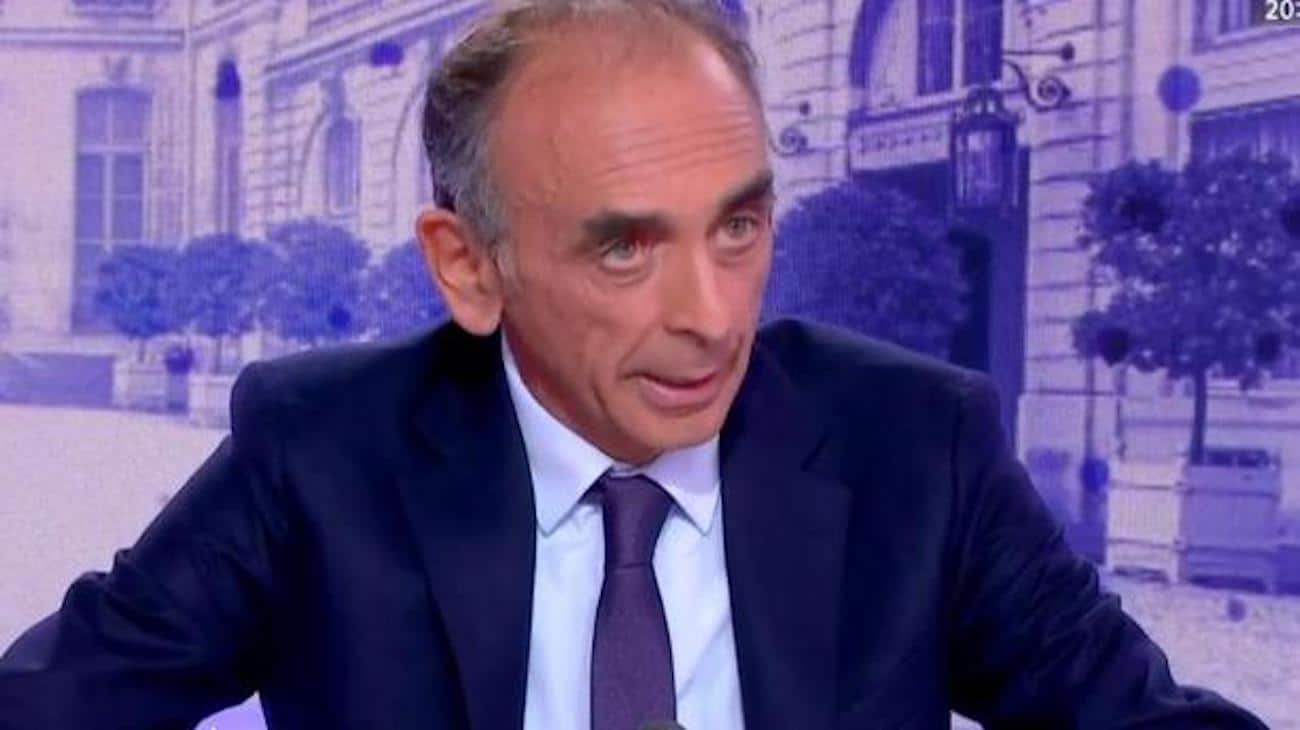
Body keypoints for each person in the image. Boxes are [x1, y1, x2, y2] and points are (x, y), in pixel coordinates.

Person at [0, 1, 1272, 729]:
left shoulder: (915, 446)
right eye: (623, 248)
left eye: (739, 226)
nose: (711, 316)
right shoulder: (322, 451)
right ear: (467, 267)